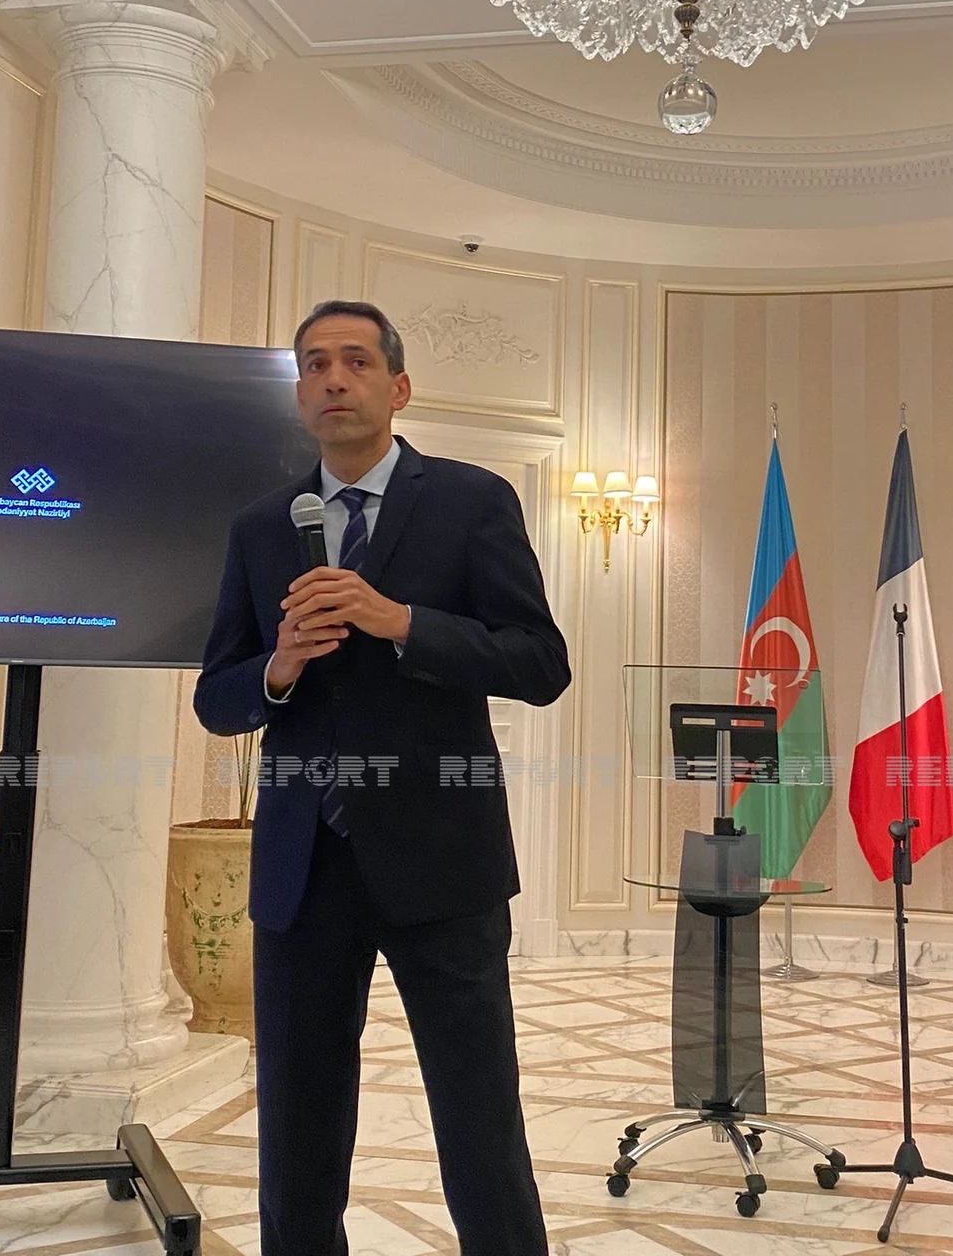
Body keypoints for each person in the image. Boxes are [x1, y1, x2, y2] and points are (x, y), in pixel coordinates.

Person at [194, 299, 570, 1256]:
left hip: (444, 864)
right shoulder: (261, 527)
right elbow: (217, 700)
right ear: (299, 395)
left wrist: (400, 621)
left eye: (356, 361)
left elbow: (540, 663)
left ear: (398, 388)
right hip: (303, 869)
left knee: (478, 1114)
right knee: (298, 1120)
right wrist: (279, 666)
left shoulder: (472, 500)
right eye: (315, 364)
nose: (334, 379)